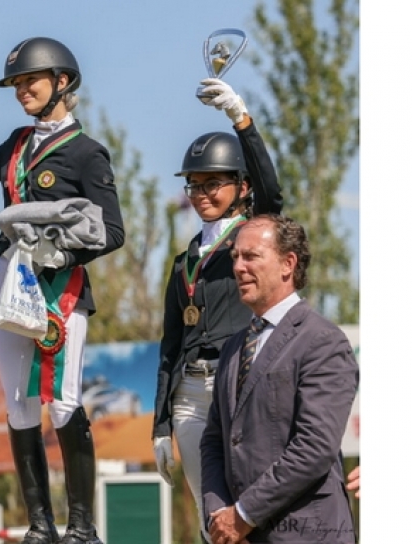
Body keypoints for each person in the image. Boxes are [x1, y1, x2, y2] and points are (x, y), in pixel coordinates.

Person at [0, 37, 124, 544]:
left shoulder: (87, 153)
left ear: (62, 82)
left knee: (62, 403)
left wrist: (64, 253)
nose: (20, 91)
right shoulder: (17, 143)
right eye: (15, 84)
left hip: (61, 287)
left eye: (28, 81)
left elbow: (114, 231)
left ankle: (81, 526)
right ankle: (41, 525)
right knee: (17, 405)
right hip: (12, 282)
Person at [151, 77, 283, 542]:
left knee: (250, 508)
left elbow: (273, 193)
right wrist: (160, 426)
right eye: (193, 185)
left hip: (239, 387)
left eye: (213, 183)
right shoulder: (183, 260)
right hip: (189, 395)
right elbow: (170, 345)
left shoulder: (250, 240)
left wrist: (240, 119)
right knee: (212, 518)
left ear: (241, 186)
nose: (202, 193)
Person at [200, 214, 359, 544]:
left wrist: (244, 514)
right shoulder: (232, 347)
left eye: (251, 256)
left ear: (288, 264)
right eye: (235, 257)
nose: (238, 267)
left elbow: (314, 447)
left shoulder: (323, 341)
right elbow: (215, 440)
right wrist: (220, 517)